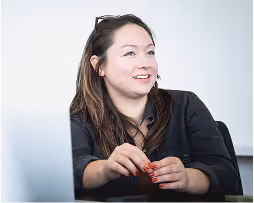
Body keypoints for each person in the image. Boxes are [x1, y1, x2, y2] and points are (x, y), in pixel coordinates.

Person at [70, 14, 241, 199]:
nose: (145, 63)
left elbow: (228, 177)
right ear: (99, 66)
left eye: (150, 52)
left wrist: (190, 178)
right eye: (130, 53)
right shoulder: (80, 119)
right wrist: (105, 169)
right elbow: (69, 174)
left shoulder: (186, 105)